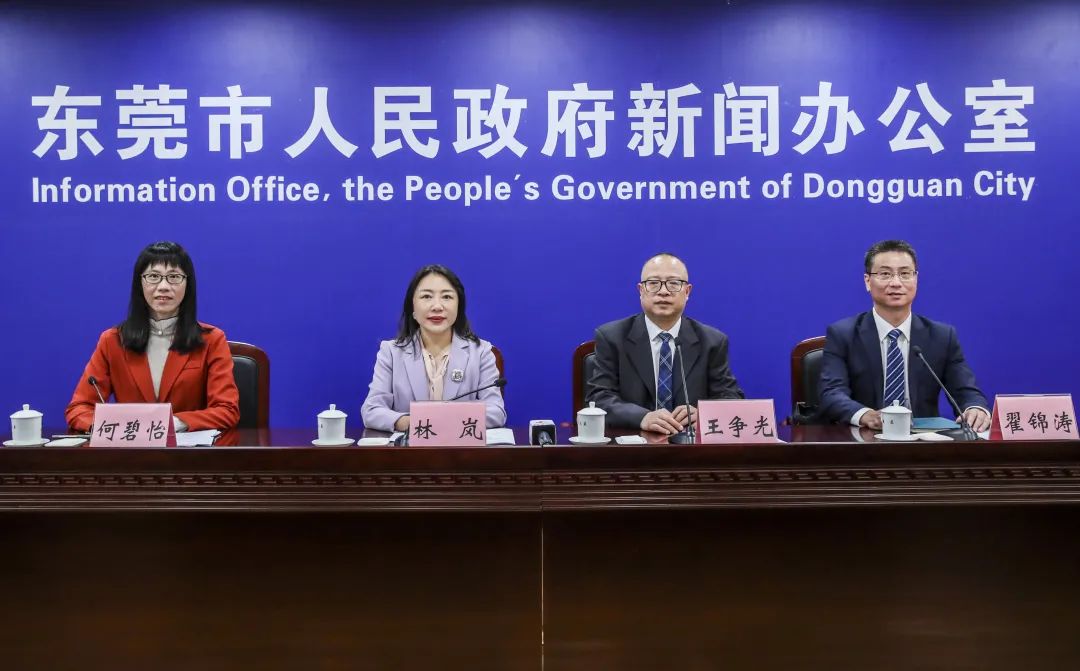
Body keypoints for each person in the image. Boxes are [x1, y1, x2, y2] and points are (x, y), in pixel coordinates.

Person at [65, 241, 240, 432]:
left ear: (187, 284)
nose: (163, 286)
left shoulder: (211, 340)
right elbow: (79, 408)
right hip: (131, 446)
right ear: (140, 283)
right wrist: (112, 429)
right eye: (153, 276)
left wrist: (173, 423)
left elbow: (227, 409)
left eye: (174, 277)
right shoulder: (113, 340)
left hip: (188, 448)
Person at [818, 240, 990, 431]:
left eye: (905, 274)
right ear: (867, 281)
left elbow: (966, 391)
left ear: (916, 279)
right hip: (864, 439)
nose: (896, 283)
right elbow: (831, 393)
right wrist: (865, 415)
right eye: (885, 274)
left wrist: (975, 409)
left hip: (923, 441)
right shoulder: (843, 334)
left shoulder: (941, 336)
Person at [587, 253, 744, 434]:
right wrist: (642, 417)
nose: (663, 291)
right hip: (632, 444)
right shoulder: (612, 337)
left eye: (674, 283)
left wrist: (704, 414)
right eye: (654, 283)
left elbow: (731, 398)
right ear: (641, 290)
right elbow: (599, 398)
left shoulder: (712, 341)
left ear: (687, 292)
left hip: (689, 445)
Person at [362, 264, 506, 433]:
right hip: (410, 447)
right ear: (412, 308)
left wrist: (439, 421)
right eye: (426, 296)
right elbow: (371, 410)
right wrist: (410, 422)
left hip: (462, 449)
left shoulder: (481, 352)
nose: (437, 306)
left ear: (458, 307)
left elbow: (496, 412)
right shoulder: (391, 352)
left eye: (447, 297)